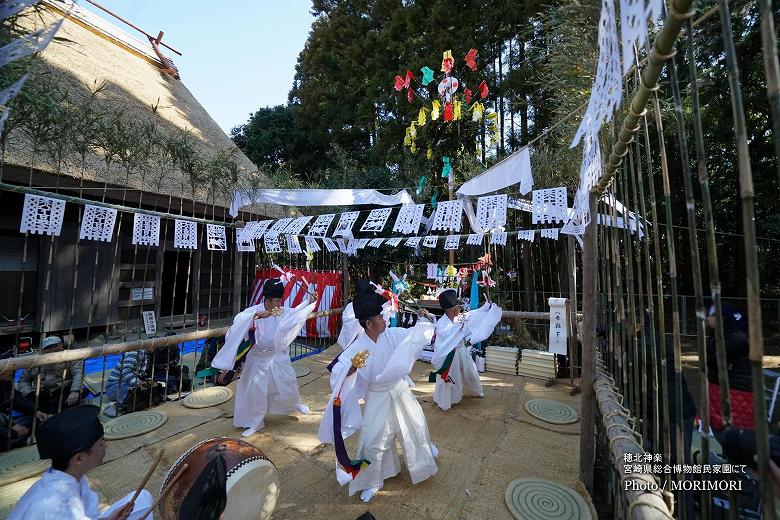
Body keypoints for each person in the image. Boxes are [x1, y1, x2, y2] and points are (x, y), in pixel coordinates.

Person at [318, 279, 438, 503]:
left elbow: (413, 336)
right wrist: (350, 370)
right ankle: (372, 481)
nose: (385, 320)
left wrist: (423, 320)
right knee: (373, 441)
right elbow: (338, 372)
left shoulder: (390, 335)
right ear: (368, 324)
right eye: (380, 318)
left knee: (415, 425)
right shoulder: (356, 348)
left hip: (399, 390)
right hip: (377, 396)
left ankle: (423, 458)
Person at [8, 404, 153, 519]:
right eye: (101, 443)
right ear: (79, 458)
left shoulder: (72, 478)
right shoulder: (55, 505)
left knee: (142, 498)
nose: (106, 446)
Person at [212, 278, 316, 437]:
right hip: (257, 358)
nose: (280, 304)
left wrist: (311, 301)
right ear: (267, 300)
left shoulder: (282, 310)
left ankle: (295, 404)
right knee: (256, 391)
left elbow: (297, 314)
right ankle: (255, 422)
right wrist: (255, 316)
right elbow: (238, 321)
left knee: (287, 382)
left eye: (281, 300)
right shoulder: (254, 311)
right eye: (276, 301)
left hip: (277, 355)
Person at [430, 289, 502, 411]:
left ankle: (476, 391)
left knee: (471, 372)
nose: (459, 310)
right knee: (450, 379)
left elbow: (472, 315)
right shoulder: (442, 323)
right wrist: (459, 327)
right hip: (449, 355)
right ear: (452, 309)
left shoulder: (458, 318)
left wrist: (486, 307)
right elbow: (448, 336)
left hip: (461, 350)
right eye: (457, 308)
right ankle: (446, 401)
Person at [706, 303, 753, 432]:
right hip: (721, 389)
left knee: (733, 431)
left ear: (722, 319)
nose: (707, 319)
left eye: (710, 316)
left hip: (736, 391)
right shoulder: (719, 337)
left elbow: (715, 360)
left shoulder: (736, 340)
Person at [18, 336, 85, 414]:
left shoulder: (71, 356)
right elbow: (24, 380)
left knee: (73, 400)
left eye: (55, 346)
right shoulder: (34, 360)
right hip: (41, 393)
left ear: (61, 345)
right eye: (48, 347)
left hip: (63, 389)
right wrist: (29, 393)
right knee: (26, 404)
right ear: (42, 349)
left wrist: (75, 390)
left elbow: (78, 373)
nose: (53, 349)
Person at [0, 350, 50, 451]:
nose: (14, 372)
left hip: (3, 421)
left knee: (33, 419)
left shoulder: (5, 383)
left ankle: (14, 439)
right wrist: (12, 431)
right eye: (11, 370)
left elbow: (18, 400)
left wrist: (36, 411)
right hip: (3, 424)